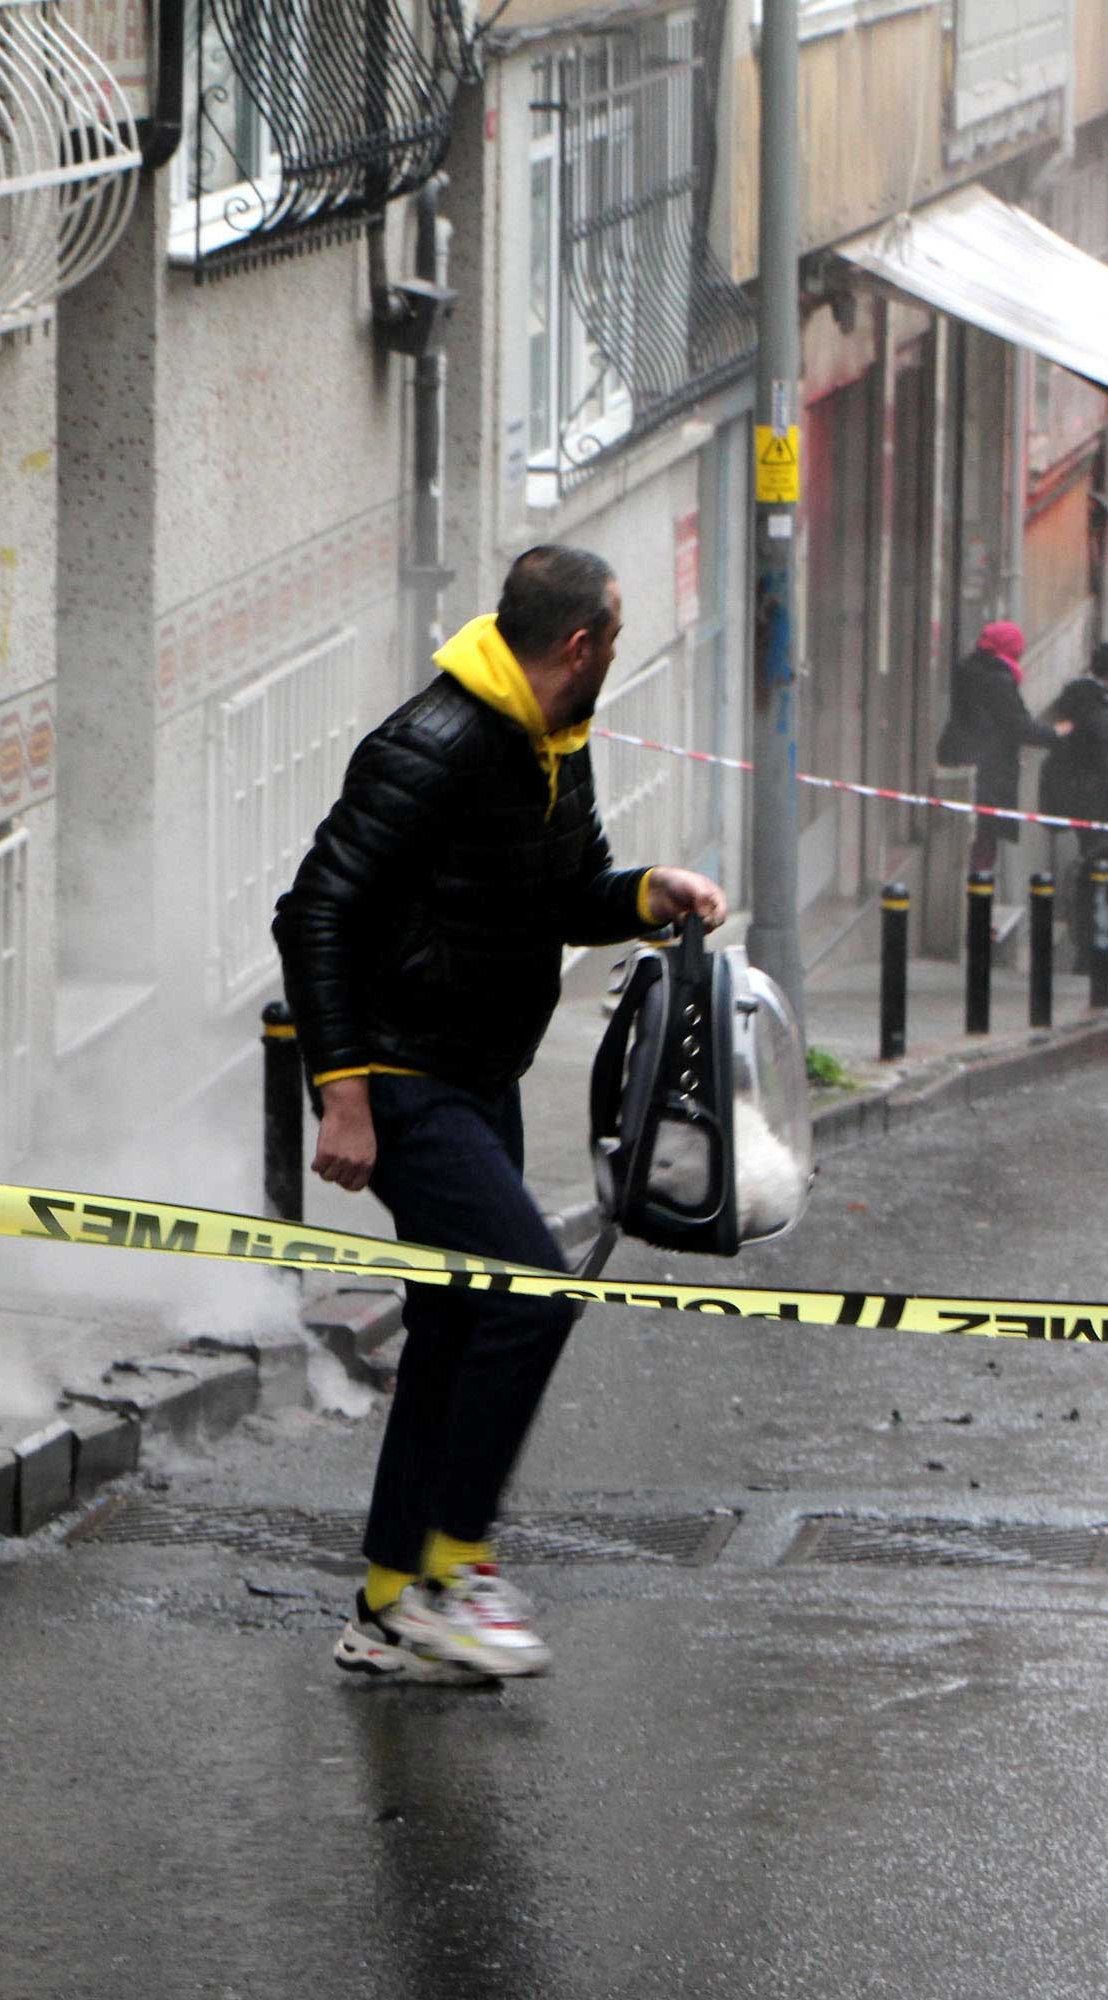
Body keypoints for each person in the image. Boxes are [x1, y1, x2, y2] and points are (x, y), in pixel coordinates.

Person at [272, 546, 727, 1685]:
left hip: (478, 1076)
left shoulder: (550, 742)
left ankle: (385, 1604)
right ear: (579, 646)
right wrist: (345, 1094)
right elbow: (313, 910)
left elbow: (569, 890)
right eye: (615, 641)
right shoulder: (434, 745)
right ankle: (456, 1566)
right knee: (533, 1290)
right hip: (406, 1076)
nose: (617, 658)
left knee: (458, 1324)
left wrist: (645, 894)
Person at [934, 618, 1067, 874]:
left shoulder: (969, 670)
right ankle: (977, 905)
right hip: (989, 772)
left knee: (968, 840)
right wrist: (1054, 733)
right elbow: (1018, 725)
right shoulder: (999, 681)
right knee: (984, 846)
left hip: (961, 761)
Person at [1039, 641, 1108, 967]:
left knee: (1092, 870)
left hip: (1081, 801)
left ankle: (1090, 944)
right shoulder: (1104, 712)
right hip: (1100, 806)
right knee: (1098, 874)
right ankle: (1094, 949)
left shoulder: (1081, 703)